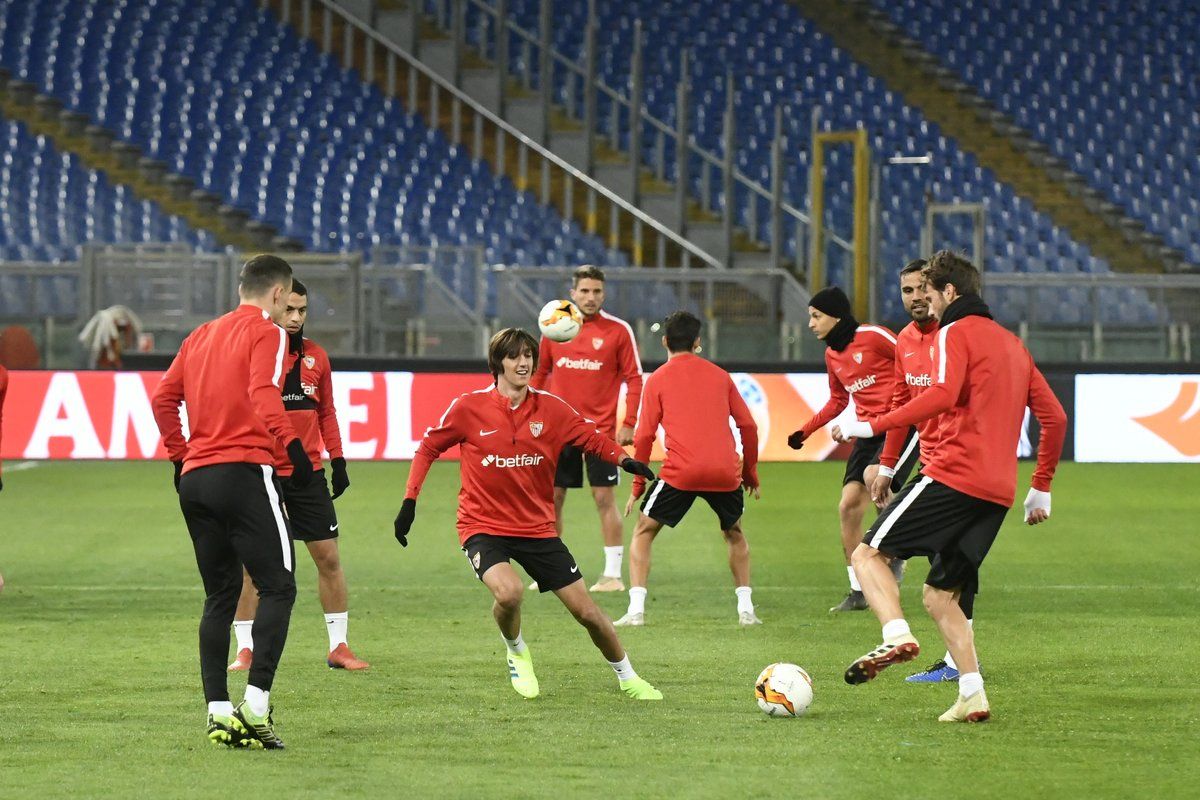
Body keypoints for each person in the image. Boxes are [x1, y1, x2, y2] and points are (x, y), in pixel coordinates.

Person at [831, 251, 1067, 723]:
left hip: (952, 474)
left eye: (931, 292)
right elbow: (1055, 417)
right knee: (940, 597)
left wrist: (869, 425)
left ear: (950, 292)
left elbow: (942, 394)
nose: (927, 302)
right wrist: (1040, 486)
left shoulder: (953, 333)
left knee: (867, 555)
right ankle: (972, 694)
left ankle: (895, 636)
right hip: (997, 492)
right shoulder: (1014, 344)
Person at [393, 328, 663, 701]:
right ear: (497, 363)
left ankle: (629, 677)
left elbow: (591, 438)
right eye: (514, 356)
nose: (523, 363)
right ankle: (517, 651)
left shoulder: (551, 408)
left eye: (528, 356)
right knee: (510, 593)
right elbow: (428, 448)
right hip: (482, 525)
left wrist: (625, 460)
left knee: (587, 613)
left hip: (537, 529)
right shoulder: (468, 408)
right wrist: (410, 501)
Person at [152, 254, 312, 749]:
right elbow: (262, 392)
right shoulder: (268, 332)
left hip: (197, 479)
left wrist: (180, 456)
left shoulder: (200, 335)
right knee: (278, 586)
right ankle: (256, 705)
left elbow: (162, 398)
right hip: (244, 472)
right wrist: (293, 446)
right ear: (279, 293)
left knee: (220, 595)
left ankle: (218, 710)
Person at [227, 280, 368, 674]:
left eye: (302, 311)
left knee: (329, 558)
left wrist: (338, 459)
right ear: (274, 306)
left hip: (307, 474)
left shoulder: (316, 357)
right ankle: (245, 649)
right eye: (288, 309)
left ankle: (339, 646)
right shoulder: (253, 354)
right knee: (251, 566)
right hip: (263, 472)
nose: (295, 318)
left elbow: (326, 412)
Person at [862, 259, 975, 684]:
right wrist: (887, 466)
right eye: (907, 291)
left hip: (961, 466)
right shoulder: (905, 341)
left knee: (939, 562)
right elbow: (900, 406)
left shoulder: (956, 336)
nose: (916, 298)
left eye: (922, 289)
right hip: (932, 465)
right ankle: (960, 667)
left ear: (941, 291)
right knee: (949, 562)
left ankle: (944, 659)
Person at [615, 311, 762, 627]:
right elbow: (748, 426)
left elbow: (644, 435)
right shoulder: (720, 376)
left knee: (644, 530)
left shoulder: (658, 379)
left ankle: (636, 611)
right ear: (698, 342)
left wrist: (638, 486)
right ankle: (746, 610)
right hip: (724, 472)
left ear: (664, 341)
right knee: (734, 532)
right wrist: (749, 472)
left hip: (681, 473)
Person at [786, 286, 912, 612]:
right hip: (867, 433)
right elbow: (838, 400)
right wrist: (805, 430)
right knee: (848, 507)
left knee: (874, 476)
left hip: (901, 423)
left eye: (816, 316)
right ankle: (859, 591)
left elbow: (912, 359)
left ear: (836, 316)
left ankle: (895, 550)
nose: (811, 324)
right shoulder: (832, 355)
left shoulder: (872, 336)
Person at [531, 265, 643, 592]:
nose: (590, 297)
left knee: (604, 498)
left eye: (596, 291)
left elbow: (634, 379)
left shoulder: (618, 331)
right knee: (552, 498)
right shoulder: (554, 326)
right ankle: (549, 572)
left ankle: (612, 575)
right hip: (558, 430)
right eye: (584, 291)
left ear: (604, 294)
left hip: (600, 432)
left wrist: (629, 422)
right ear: (572, 293)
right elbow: (539, 375)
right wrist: (530, 416)